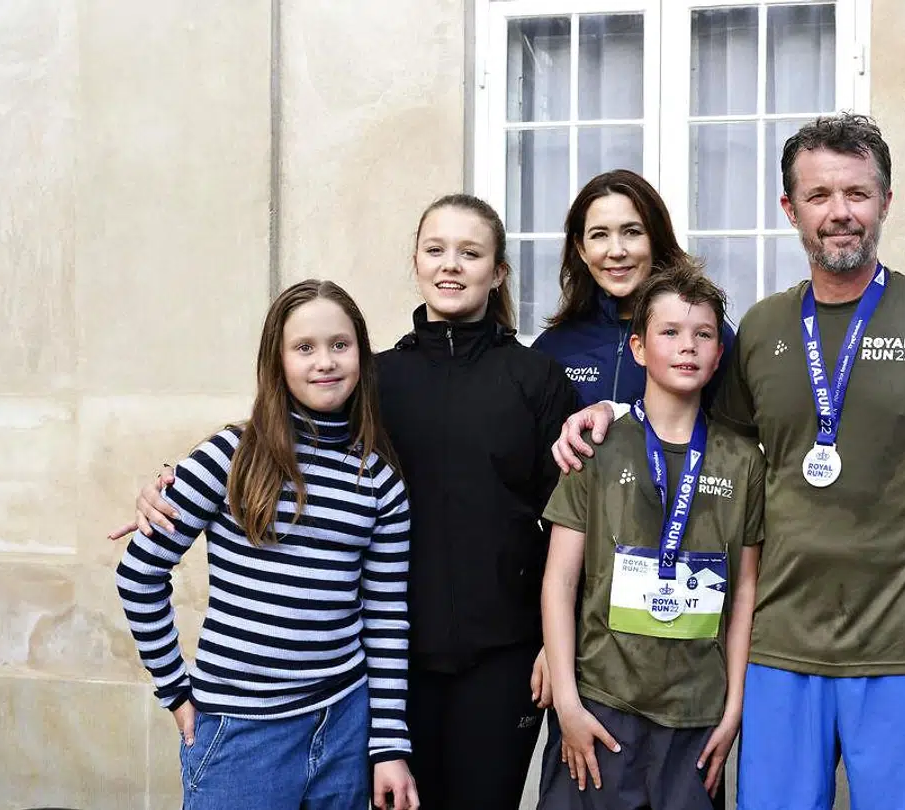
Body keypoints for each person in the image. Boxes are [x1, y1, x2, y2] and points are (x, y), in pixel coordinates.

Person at [551, 113, 905, 810]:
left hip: (904, 652)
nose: (840, 213)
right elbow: (697, 446)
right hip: (777, 653)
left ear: (885, 202)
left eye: (857, 194)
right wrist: (612, 412)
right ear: (789, 208)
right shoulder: (766, 328)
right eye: (820, 195)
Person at [110, 195, 582, 809]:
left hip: (455, 672)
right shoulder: (374, 382)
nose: (451, 265)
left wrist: (556, 638)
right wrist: (171, 482)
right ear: (414, 261)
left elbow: (568, 520)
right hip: (321, 697)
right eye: (435, 249)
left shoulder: (531, 381)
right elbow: (154, 560)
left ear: (497, 272)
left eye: (471, 253)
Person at [113, 279, 418, 810]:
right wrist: (175, 691)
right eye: (304, 347)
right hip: (240, 732)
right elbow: (138, 575)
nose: (324, 361)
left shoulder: (379, 480)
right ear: (277, 361)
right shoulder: (231, 457)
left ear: (361, 357)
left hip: (343, 722)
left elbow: (386, 614)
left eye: (339, 345)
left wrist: (388, 743)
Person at [539, 264, 763, 809]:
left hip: (697, 716)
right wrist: (567, 703)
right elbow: (560, 581)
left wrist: (733, 709)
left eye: (703, 334)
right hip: (601, 704)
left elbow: (745, 595)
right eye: (670, 332)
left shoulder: (743, 461)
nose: (687, 347)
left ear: (717, 353)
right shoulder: (595, 445)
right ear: (638, 348)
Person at [532, 169, 736, 406]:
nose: (617, 251)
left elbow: (732, 431)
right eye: (599, 235)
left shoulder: (702, 334)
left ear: (655, 239)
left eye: (632, 232)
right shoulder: (554, 347)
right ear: (581, 249)